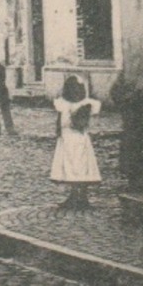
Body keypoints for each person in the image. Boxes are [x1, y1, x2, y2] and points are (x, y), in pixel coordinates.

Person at [50, 75, 102, 209]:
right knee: (73, 166)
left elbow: (82, 122)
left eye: (77, 89)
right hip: (70, 137)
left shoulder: (85, 104)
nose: (75, 92)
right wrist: (59, 132)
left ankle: (82, 197)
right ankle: (75, 196)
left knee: (79, 165)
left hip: (77, 137)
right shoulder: (64, 103)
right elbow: (60, 119)